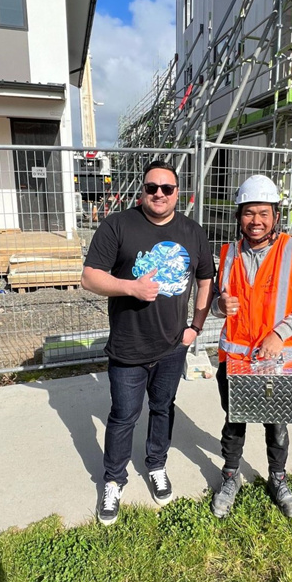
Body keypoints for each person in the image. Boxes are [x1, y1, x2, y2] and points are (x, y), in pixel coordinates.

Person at [81, 160, 214, 525]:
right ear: (142, 190)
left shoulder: (192, 231)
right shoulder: (119, 225)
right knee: (123, 417)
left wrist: (196, 328)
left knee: (162, 409)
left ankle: (156, 466)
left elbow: (206, 280)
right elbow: (90, 278)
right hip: (128, 348)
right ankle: (113, 479)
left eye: (166, 188)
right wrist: (130, 287)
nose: (158, 194)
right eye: (151, 187)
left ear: (178, 193)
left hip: (173, 346)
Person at [210, 175, 292, 519]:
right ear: (239, 216)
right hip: (235, 360)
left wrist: (281, 333)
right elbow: (219, 299)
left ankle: (278, 479)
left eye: (263, 213)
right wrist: (219, 306)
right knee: (234, 423)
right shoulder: (229, 254)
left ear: (276, 215)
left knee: (276, 426)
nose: (255, 221)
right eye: (248, 213)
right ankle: (230, 477)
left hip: (276, 363)